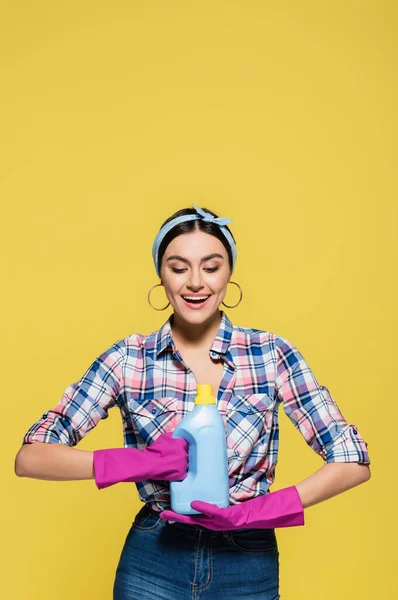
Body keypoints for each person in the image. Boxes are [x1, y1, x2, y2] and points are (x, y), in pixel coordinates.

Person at [15, 204, 371, 599]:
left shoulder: (270, 353)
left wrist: (259, 511)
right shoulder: (129, 359)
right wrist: (138, 463)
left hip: (247, 558)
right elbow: (31, 457)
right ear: (160, 275)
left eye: (211, 266)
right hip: (154, 555)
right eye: (179, 267)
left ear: (229, 272)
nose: (196, 283)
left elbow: (352, 460)